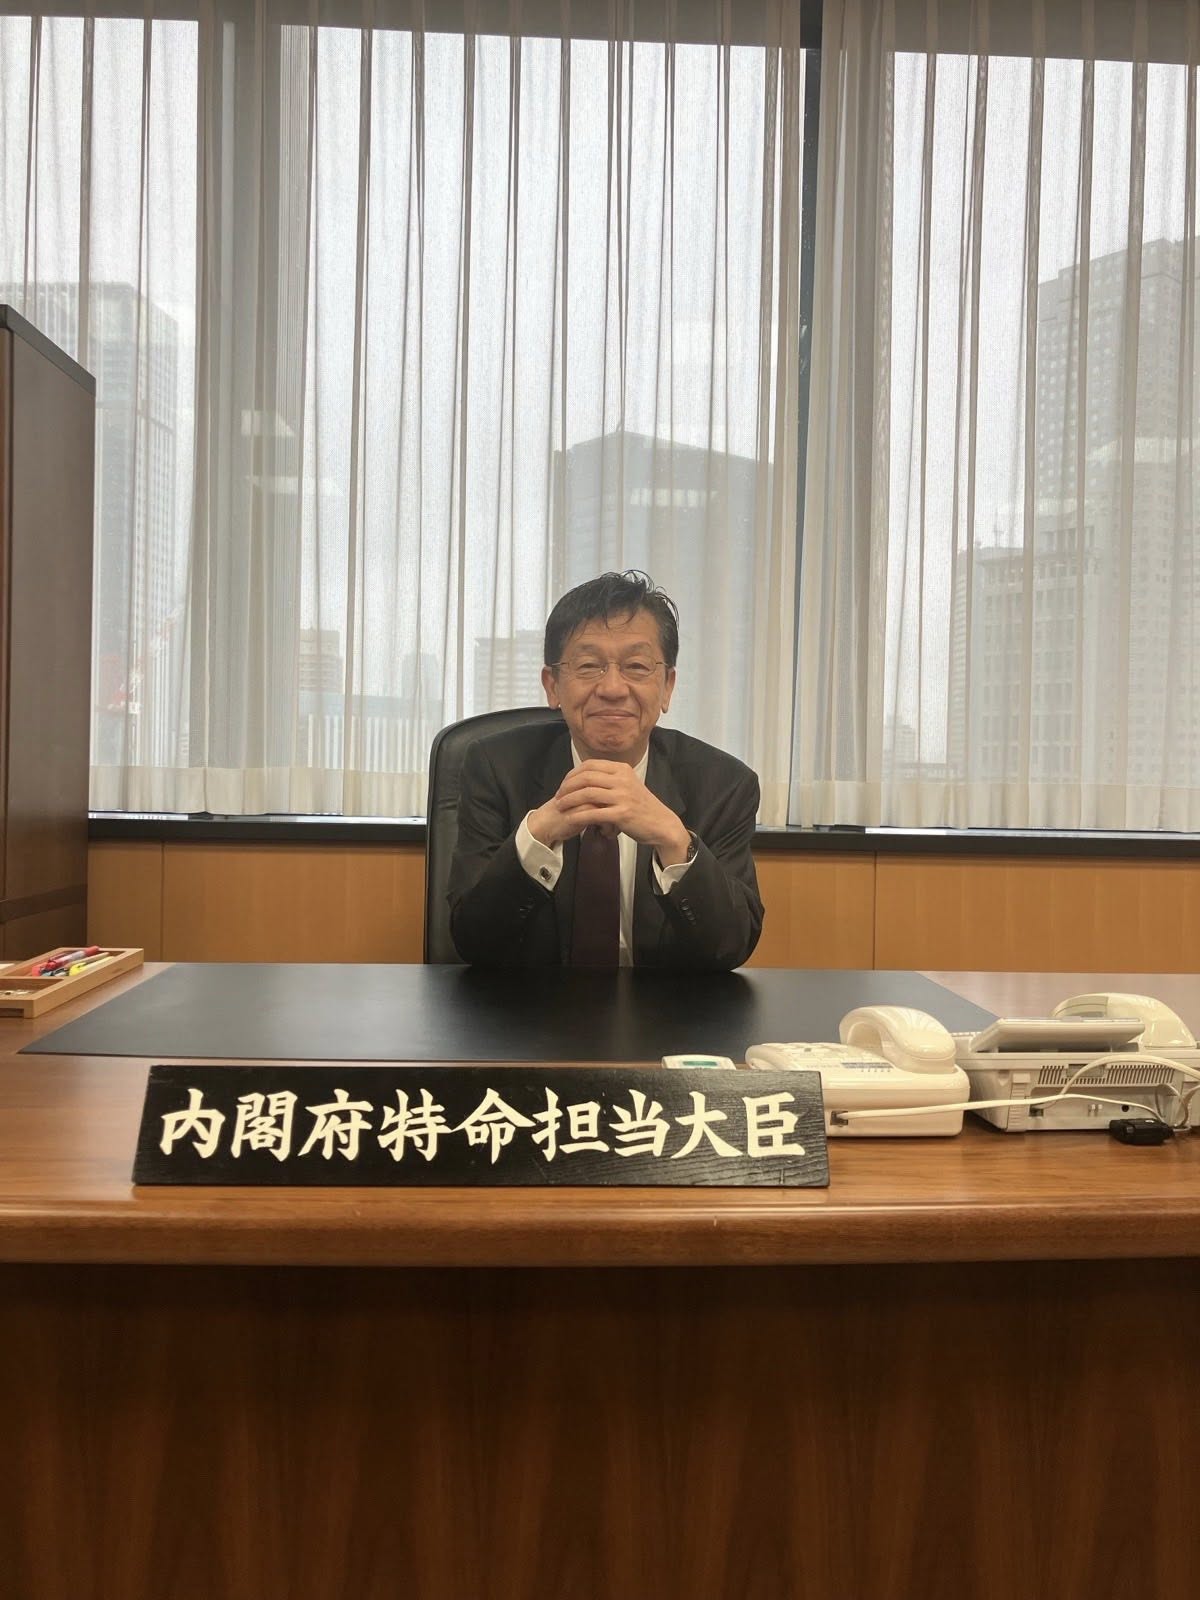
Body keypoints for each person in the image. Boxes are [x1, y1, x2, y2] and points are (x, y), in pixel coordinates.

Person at [447, 570, 763, 968]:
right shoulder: (495, 768)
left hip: (666, 1007)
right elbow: (472, 941)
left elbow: (731, 947)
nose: (612, 688)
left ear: (667, 686)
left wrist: (673, 840)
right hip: (529, 1003)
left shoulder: (724, 786)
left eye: (636, 666)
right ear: (552, 685)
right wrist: (538, 835)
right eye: (588, 665)